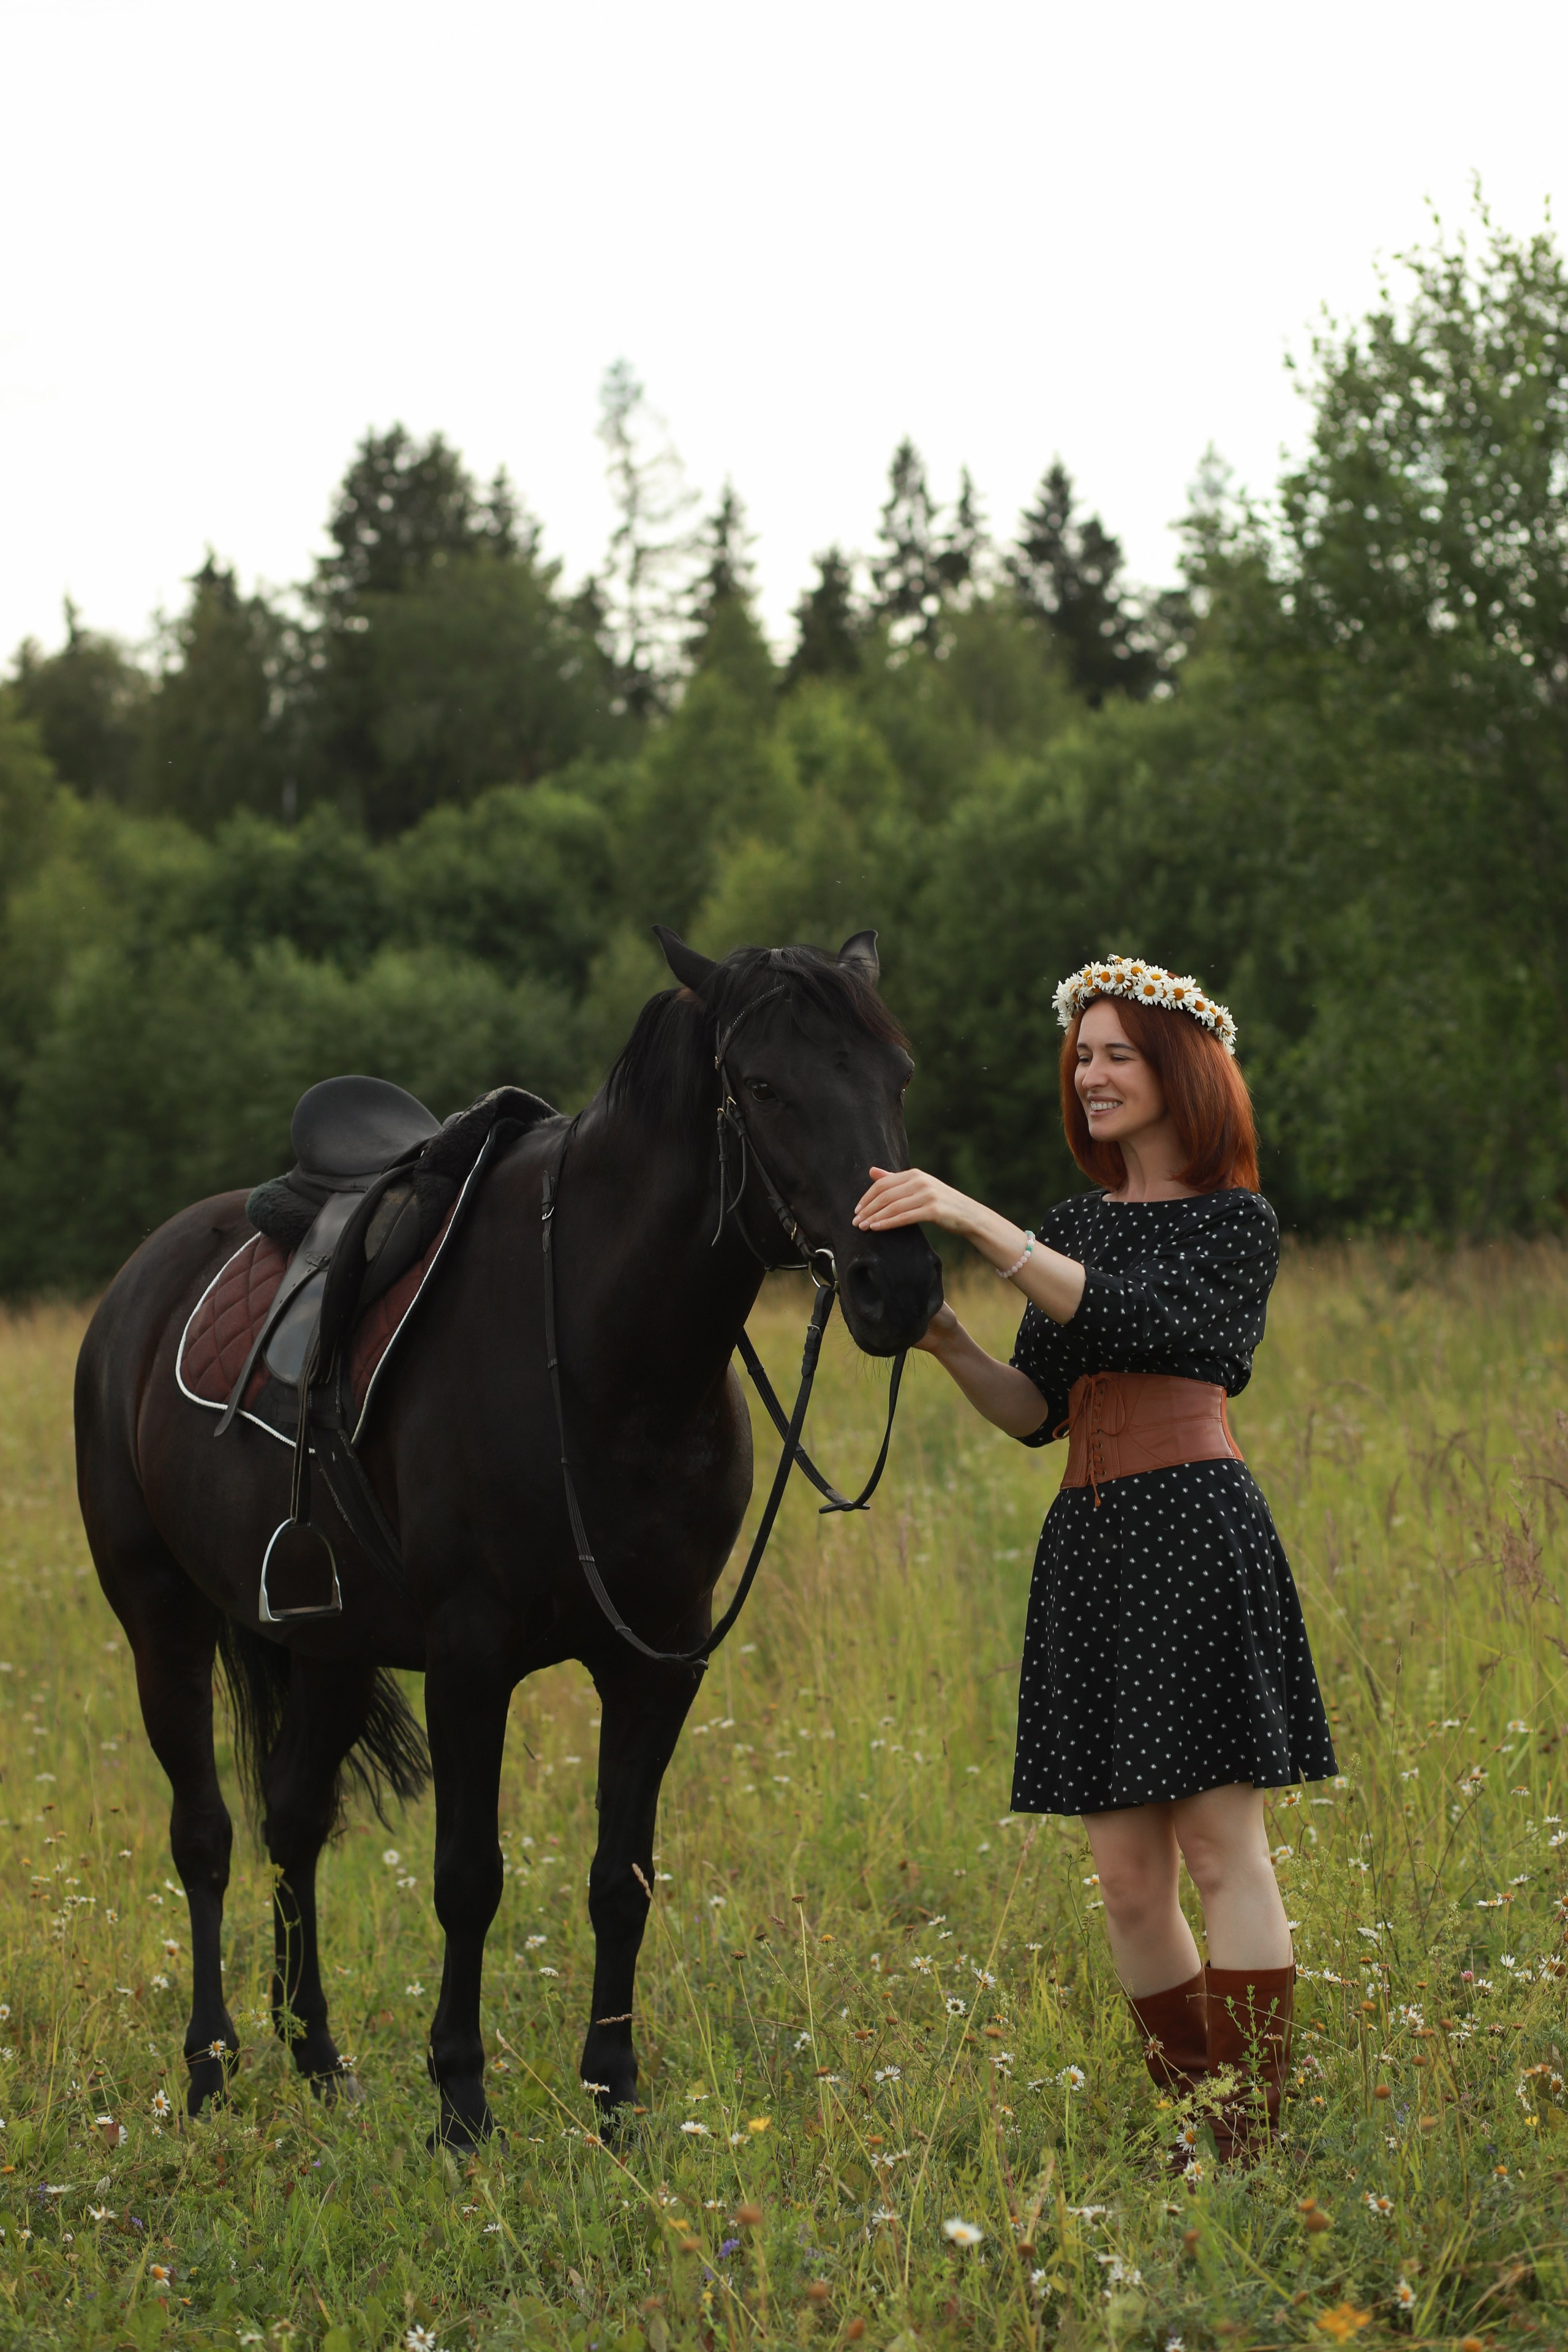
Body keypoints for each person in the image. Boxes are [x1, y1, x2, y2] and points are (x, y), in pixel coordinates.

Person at [853, 954, 1336, 2163]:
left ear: (1179, 1072)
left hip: (1196, 1527)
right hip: (1093, 1543)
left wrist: (971, 1220)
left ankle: (1250, 2146)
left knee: (1220, 1848)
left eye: (1117, 1052)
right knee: (1126, 1880)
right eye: (1082, 1057)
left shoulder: (1234, 1224)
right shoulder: (1072, 1227)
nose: (1092, 1073)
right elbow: (1036, 1412)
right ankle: (1194, 2128)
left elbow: (1162, 1335)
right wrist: (950, 1342)